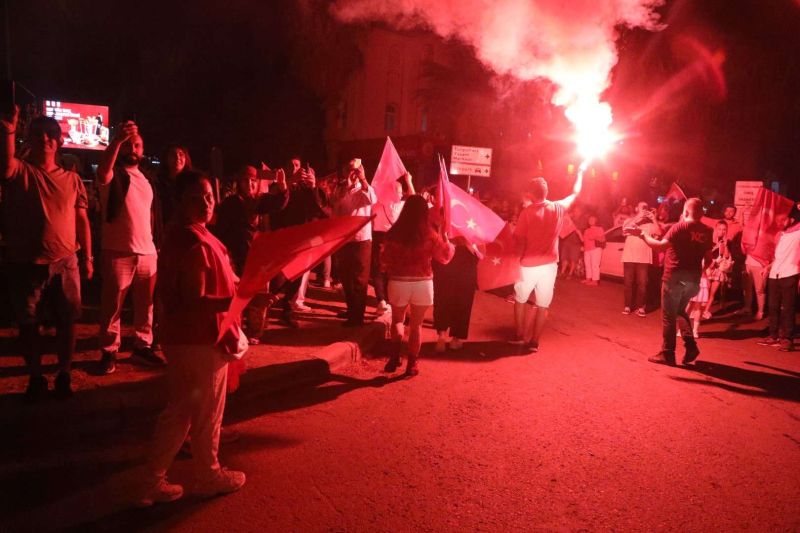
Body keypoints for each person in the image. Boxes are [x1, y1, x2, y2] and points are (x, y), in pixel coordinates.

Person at [137, 170, 245, 507]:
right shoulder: (191, 240)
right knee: (206, 412)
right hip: (201, 340)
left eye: (210, 196)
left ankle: (152, 481)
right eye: (197, 197)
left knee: (180, 411)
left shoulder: (189, 235)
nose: (206, 203)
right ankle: (207, 475)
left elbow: (218, 278)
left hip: (184, 339)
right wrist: (238, 299)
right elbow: (193, 299)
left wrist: (240, 284)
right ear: (180, 201)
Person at [0, 107, 93, 400]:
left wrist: (88, 258)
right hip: (26, 263)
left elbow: (82, 221)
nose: (45, 139)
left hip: (65, 261)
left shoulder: (72, 179)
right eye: (38, 134)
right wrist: (9, 131)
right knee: (29, 325)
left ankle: (64, 372)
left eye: (50, 134)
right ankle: (36, 376)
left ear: (58, 141)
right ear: (29, 139)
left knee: (69, 321)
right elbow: (5, 166)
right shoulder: (19, 170)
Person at [94, 121, 162, 374]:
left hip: (147, 252)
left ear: (143, 150)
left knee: (146, 306)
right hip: (118, 250)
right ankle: (109, 351)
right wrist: (117, 141)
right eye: (129, 145)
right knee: (113, 306)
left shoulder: (147, 179)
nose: (133, 149)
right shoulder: (113, 175)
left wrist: (156, 246)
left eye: (137, 145)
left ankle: (143, 347)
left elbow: (151, 216)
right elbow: (102, 170)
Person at [631, 197, 713, 366]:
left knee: (669, 316)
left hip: (674, 277)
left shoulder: (679, 227)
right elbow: (709, 259)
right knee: (680, 311)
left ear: (686, 211)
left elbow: (660, 246)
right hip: (693, 280)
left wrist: (641, 234)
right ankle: (691, 347)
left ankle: (667, 353)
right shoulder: (707, 231)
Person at [212, 164, 288, 342]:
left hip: (257, 256)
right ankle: (236, 329)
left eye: (253, 181)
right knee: (237, 296)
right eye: (246, 181)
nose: (250, 184)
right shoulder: (231, 203)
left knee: (258, 298)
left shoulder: (259, 202)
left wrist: (283, 186)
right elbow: (220, 229)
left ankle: (254, 332)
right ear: (239, 182)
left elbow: (279, 203)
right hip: (235, 256)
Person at [381, 195, 454, 375]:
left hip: (398, 281)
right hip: (423, 283)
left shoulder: (393, 233)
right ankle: (412, 364)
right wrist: (446, 238)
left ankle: (394, 355)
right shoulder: (430, 234)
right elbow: (445, 257)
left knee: (398, 320)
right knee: (416, 325)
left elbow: (383, 261)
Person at [512, 169, 583, 353]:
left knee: (520, 300)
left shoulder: (526, 213)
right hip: (549, 265)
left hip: (528, 264)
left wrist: (514, 262)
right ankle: (534, 341)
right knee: (543, 304)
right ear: (546, 192)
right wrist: (581, 172)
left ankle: (520, 336)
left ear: (530, 194)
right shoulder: (558, 207)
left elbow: (519, 240)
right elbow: (576, 193)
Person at [268, 157, 328, 327]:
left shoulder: (307, 188)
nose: (294, 168)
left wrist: (313, 187)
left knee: (297, 276)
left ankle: (287, 309)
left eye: (297, 165)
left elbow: (321, 208)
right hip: (282, 236)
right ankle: (264, 308)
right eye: (290, 165)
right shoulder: (279, 185)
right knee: (277, 277)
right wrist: (287, 184)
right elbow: (273, 205)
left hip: (302, 239)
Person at [331, 159, 377, 327]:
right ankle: (352, 311)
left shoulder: (365, 190)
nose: (353, 173)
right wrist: (347, 186)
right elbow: (336, 209)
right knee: (346, 278)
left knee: (360, 280)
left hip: (361, 240)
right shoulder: (340, 190)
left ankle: (357, 318)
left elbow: (373, 199)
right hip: (344, 240)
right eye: (350, 170)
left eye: (355, 170)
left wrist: (363, 178)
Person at [371, 171, 415, 314]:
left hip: (381, 239)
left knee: (380, 271)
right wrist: (409, 181)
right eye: (399, 191)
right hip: (391, 240)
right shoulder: (398, 206)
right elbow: (415, 201)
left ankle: (382, 300)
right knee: (386, 271)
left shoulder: (378, 204)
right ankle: (386, 300)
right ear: (391, 192)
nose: (402, 194)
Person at [757, 212, 799, 352]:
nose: (779, 222)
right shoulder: (780, 235)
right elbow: (778, 256)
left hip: (790, 273)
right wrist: (768, 267)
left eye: (783, 219)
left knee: (788, 309)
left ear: (791, 218)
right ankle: (773, 335)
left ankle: (787, 339)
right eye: (778, 221)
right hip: (775, 274)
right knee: (773, 306)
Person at [433, 237, 480, 351]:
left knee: (442, 297)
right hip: (467, 262)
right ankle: (456, 339)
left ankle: (442, 335)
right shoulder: (474, 224)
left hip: (446, 256)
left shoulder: (447, 220)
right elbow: (480, 253)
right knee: (464, 300)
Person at [621, 201, 659, 317]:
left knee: (642, 284)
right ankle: (628, 306)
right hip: (629, 256)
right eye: (641, 207)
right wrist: (638, 217)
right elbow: (624, 230)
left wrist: (654, 219)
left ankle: (640, 307)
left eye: (645, 207)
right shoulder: (629, 220)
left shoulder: (649, 224)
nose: (644, 208)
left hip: (643, 258)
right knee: (628, 283)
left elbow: (658, 232)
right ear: (637, 208)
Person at [700, 220, 733, 319]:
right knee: (705, 289)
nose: (722, 231)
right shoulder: (709, 239)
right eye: (720, 229)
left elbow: (726, 256)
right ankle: (699, 310)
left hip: (718, 269)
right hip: (709, 267)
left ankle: (705, 311)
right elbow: (706, 253)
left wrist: (725, 244)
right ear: (716, 229)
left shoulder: (726, 241)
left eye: (724, 230)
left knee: (713, 292)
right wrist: (716, 246)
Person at [156, 143, 192, 227]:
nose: (177, 157)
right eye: (173, 154)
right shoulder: (157, 183)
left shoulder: (192, 183)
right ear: (166, 159)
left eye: (181, 154)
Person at [581, 214, 605, 286]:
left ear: (596, 221)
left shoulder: (599, 229)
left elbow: (602, 239)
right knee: (587, 265)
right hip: (587, 249)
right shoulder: (586, 230)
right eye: (589, 220)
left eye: (592, 219)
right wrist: (578, 233)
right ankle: (588, 278)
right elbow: (583, 240)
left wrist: (595, 237)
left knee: (595, 265)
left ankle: (595, 281)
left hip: (596, 249)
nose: (590, 221)